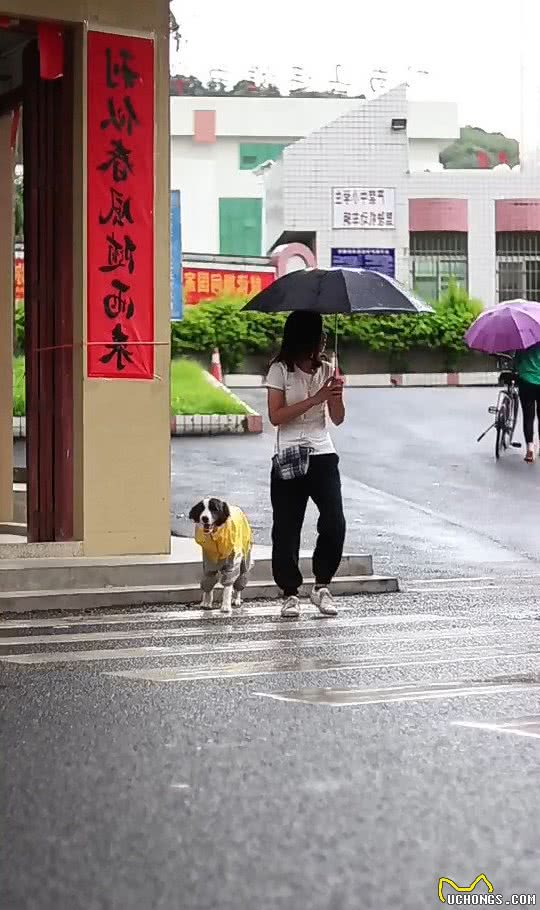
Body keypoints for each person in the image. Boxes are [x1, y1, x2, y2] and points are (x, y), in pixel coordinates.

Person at [265, 311, 346, 618]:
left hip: (323, 453)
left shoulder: (328, 368)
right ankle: (289, 592)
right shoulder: (280, 371)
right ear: (304, 336)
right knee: (287, 527)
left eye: (325, 333)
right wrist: (316, 398)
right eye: (318, 333)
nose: (324, 338)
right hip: (289, 453)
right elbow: (276, 416)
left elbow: (337, 419)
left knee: (334, 521)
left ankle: (322, 585)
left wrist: (336, 394)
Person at [516, 343, 540, 463]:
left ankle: (530, 448)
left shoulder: (523, 343)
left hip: (526, 382)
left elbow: (517, 362)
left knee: (528, 417)